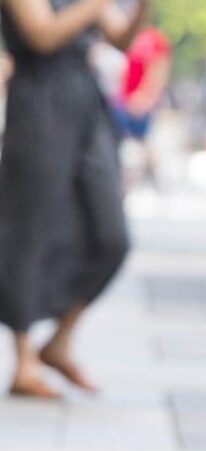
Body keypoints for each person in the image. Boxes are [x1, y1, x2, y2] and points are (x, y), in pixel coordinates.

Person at [0, 0, 148, 398]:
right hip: (37, 101)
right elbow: (42, 36)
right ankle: (23, 360)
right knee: (29, 228)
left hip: (87, 104)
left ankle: (60, 340)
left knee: (113, 236)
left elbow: (122, 40)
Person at [111, 25, 171, 185]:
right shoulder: (125, 34)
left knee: (144, 143)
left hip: (141, 103)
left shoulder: (154, 39)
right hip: (124, 101)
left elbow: (159, 70)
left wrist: (146, 98)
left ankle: (155, 181)